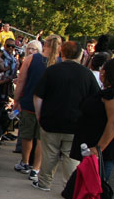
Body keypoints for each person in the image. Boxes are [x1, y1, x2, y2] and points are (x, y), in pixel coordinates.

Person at [32, 41, 100, 191]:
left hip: (50, 120)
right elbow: (95, 99)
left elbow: (38, 96)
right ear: (80, 55)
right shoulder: (86, 74)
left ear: (62, 53)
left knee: (49, 154)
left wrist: (39, 115)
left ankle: (44, 182)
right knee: (71, 157)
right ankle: (69, 187)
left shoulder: (52, 71)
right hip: (75, 123)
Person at [71, 57, 114, 181]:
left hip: (104, 152)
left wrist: (99, 149)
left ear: (104, 72)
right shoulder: (111, 91)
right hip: (94, 147)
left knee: (95, 187)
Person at [12, 38, 56, 179]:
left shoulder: (31, 59)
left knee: (27, 135)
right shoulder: (60, 62)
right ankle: (36, 168)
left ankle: (25, 162)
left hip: (29, 103)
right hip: (49, 107)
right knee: (41, 138)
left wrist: (16, 100)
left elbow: (21, 81)